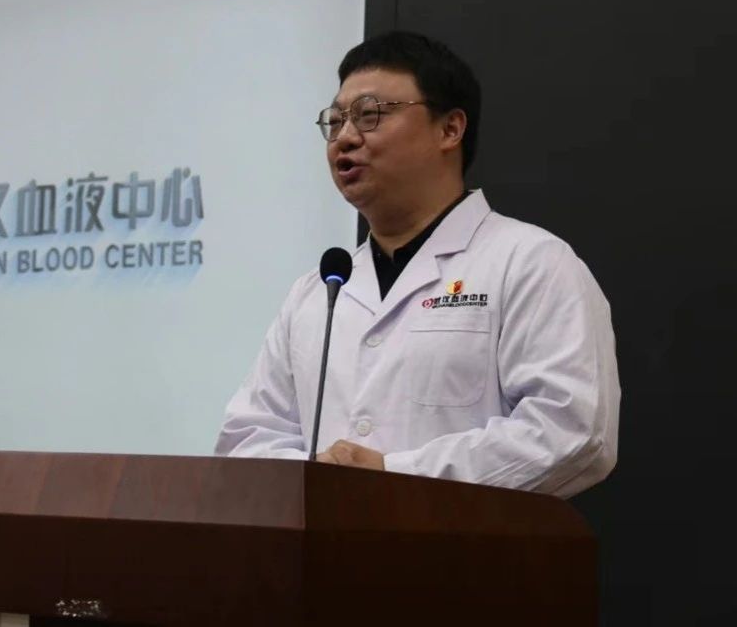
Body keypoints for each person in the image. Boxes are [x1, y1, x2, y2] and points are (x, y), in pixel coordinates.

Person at [215, 31, 619, 497]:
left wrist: (394, 475)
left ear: (450, 129)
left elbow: (572, 432)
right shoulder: (317, 290)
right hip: (328, 544)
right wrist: (321, 480)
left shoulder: (529, 262)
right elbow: (247, 437)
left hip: (463, 543)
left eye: (369, 115)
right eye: (335, 121)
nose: (345, 138)